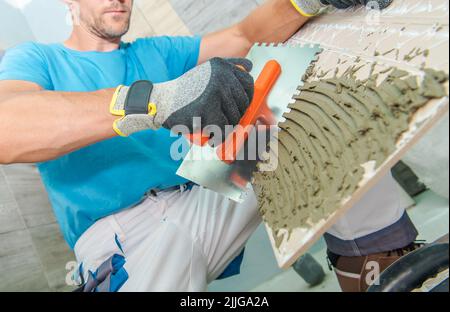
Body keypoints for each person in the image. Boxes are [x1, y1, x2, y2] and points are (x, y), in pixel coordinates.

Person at [0, 0, 419, 292]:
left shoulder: (155, 50)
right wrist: (155, 101)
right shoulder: (36, 58)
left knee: (312, 123)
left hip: (202, 195)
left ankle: (383, 271)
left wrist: (305, 2)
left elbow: (244, 34)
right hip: (119, 239)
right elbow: (7, 129)